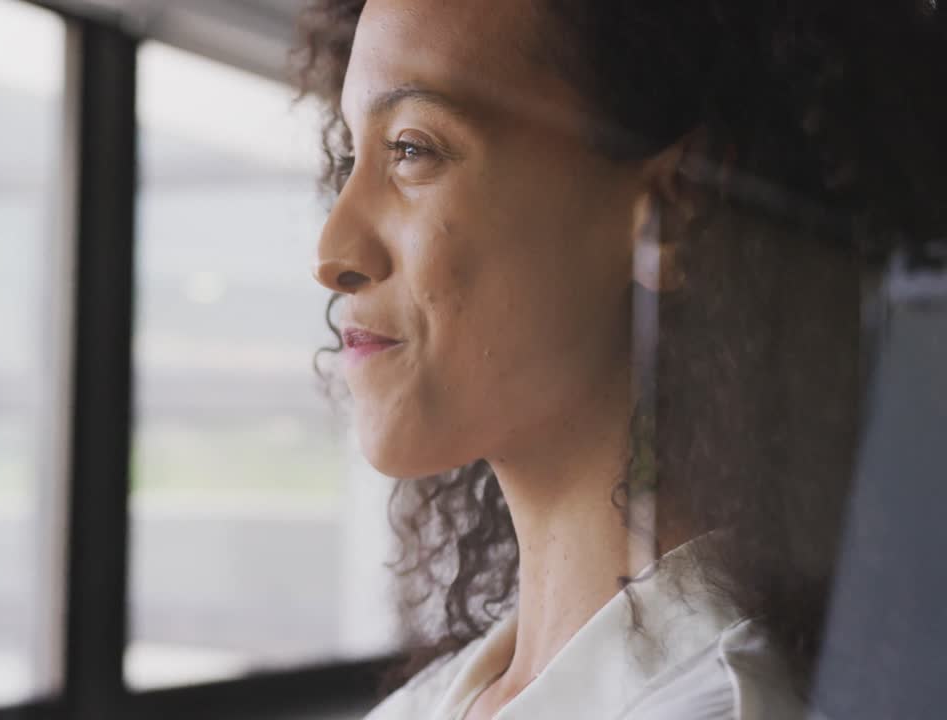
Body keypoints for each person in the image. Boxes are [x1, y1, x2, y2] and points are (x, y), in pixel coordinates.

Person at [294, 1, 947, 718]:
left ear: (674, 204)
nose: (333, 251)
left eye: (412, 149)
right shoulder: (425, 704)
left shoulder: (715, 708)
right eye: (351, 155)